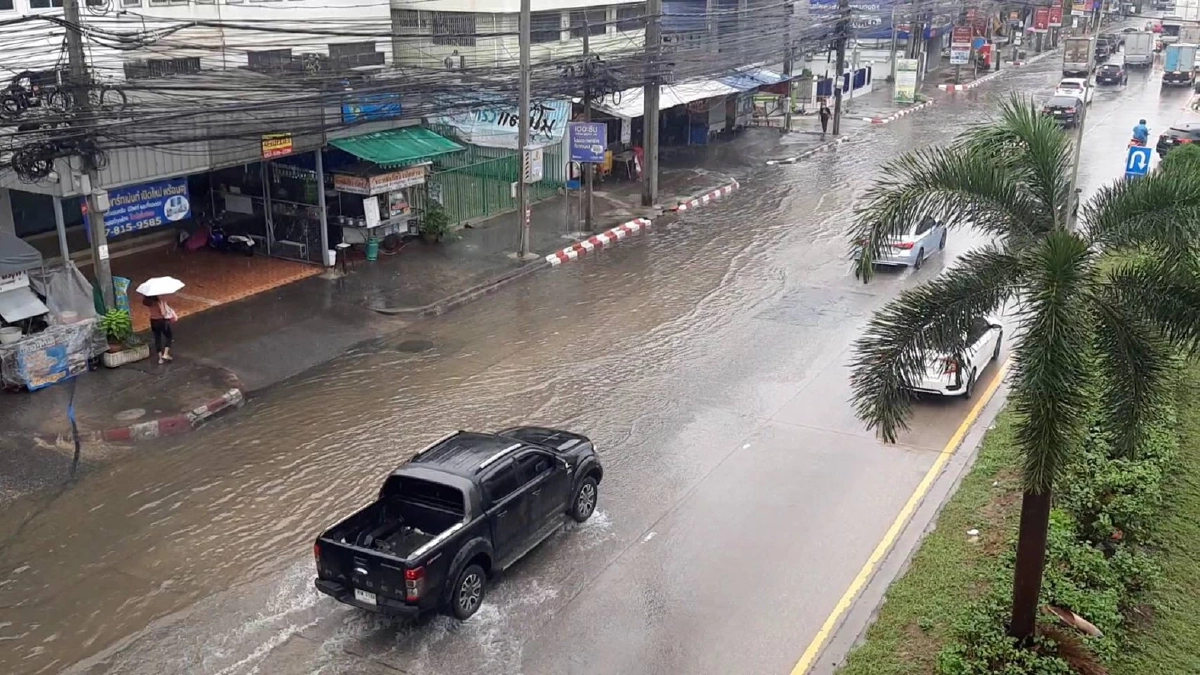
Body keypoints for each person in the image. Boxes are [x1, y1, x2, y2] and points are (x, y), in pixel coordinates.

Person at [143, 294, 176, 364]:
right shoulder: (159, 302)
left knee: (157, 338)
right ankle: (166, 354)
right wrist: (163, 303)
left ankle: (160, 358)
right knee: (169, 336)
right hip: (161, 321)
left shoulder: (149, 303)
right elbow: (163, 313)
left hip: (153, 321)